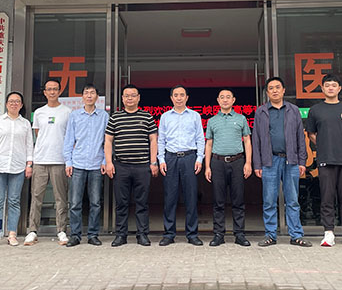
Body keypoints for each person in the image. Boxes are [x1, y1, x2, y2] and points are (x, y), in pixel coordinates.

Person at [253, 77, 312, 247]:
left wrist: (302, 161)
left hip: (291, 160)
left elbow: (300, 136)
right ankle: (270, 235)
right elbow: (256, 139)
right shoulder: (261, 111)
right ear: (267, 92)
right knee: (269, 200)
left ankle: (296, 235)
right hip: (269, 161)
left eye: (277, 87)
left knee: (292, 200)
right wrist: (257, 164)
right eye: (271, 88)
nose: (275, 91)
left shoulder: (293, 110)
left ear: (284, 90)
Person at [305, 73, 342, 248]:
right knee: (327, 196)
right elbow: (311, 134)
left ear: (339, 88)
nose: (330, 88)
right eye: (327, 85)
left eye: (334, 85)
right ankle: (328, 232)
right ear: (322, 88)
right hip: (326, 159)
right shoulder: (315, 110)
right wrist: (324, 145)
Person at [105, 84, 158, 247]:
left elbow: (153, 140)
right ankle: (121, 235)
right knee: (121, 203)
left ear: (138, 98)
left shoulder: (147, 116)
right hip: (121, 166)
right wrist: (109, 162)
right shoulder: (115, 117)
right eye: (126, 95)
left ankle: (142, 235)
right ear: (122, 98)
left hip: (142, 166)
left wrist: (153, 162)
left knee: (142, 202)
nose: (130, 98)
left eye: (133, 95)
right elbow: (108, 141)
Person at [24, 78, 71, 246]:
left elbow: (69, 136)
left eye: (55, 89)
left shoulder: (67, 112)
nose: (52, 92)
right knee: (36, 197)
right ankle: (32, 231)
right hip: (40, 160)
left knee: (61, 197)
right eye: (49, 89)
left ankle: (61, 230)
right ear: (44, 92)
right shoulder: (39, 112)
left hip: (59, 159)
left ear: (60, 91)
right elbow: (38, 133)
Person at [0, 91, 34, 248]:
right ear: (6, 104)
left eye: (17, 101)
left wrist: (29, 164)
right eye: (11, 101)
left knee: (14, 201)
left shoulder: (25, 123)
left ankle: (12, 234)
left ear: (21, 105)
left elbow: (29, 145)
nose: (14, 104)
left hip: (18, 167)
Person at [158, 85, 206, 246]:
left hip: (189, 157)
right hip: (170, 158)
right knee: (170, 197)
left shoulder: (195, 116)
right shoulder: (165, 117)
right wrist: (161, 159)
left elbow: (200, 138)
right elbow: (161, 140)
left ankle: (192, 234)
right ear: (171, 98)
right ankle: (168, 234)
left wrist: (199, 158)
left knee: (191, 197)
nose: (179, 98)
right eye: (176, 95)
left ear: (187, 97)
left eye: (182, 95)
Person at [204, 88, 252, 247]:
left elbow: (247, 141)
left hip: (237, 161)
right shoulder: (212, 121)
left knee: (238, 200)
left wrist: (248, 163)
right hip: (217, 162)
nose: (225, 100)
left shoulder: (241, 118)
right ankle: (219, 234)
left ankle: (240, 234)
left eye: (228, 97)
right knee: (218, 200)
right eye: (222, 97)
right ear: (218, 100)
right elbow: (209, 144)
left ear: (233, 100)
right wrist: (207, 166)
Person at [63, 84, 109, 247]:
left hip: (96, 163)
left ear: (97, 97)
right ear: (82, 97)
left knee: (95, 202)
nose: (89, 96)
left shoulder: (104, 116)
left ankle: (93, 235)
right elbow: (69, 140)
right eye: (86, 93)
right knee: (75, 202)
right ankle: (75, 235)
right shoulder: (75, 116)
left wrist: (105, 161)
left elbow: (108, 141)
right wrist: (68, 161)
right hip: (78, 163)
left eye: (92, 93)